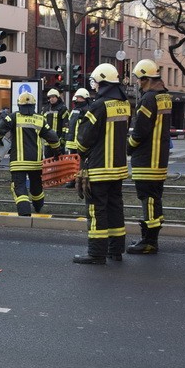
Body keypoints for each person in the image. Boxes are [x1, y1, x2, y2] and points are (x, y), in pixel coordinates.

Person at [72, 64, 130, 264]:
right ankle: (116, 250)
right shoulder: (125, 104)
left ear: (103, 82)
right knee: (116, 208)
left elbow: (84, 139)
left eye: (95, 82)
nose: (94, 86)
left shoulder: (98, 106)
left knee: (97, 210)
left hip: (99, 168)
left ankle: (96, 253)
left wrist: (81, 151)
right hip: (118, 168)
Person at [126, 59, 172, 255]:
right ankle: (152, 238)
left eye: (138, 79)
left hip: (147, 159)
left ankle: (149, 241)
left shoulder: (148, 99)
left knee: (148, 199)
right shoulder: (165, 97)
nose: (137, 82)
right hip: (159, 158)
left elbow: (140, 131)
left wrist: (128, 147)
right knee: (155, 198)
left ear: (145, 78)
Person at [0, 92, 61, 216]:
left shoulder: (13, 117)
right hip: (35, 162)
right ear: (34, 105)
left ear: (19, 105)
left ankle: (24, 213)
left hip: (18, 162)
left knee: (19, 187)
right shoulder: (40, 119)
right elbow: (53, 137)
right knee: (36, 186)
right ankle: (38, 207)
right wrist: (57, 152)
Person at [64, 87, 91, 153]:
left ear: (85, 98)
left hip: (81, 144)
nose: (77, 99)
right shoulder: (74, 110)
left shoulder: (88, 110)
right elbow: (70, 124)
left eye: (79, 97)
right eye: (77, 97)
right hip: (72, 143)